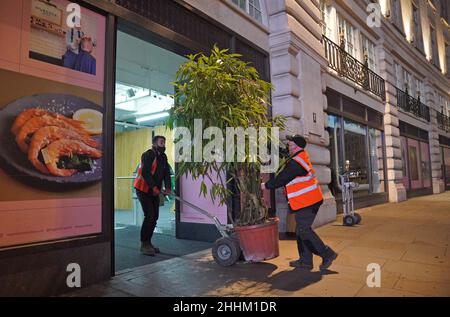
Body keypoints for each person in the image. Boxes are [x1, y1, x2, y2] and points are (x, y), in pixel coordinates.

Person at [261, 135, 338, 271]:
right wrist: (267, 143)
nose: (288, 146)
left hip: (308, 202)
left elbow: (282, 179)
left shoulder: (297, 163)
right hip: (306, 201)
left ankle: (327, 254)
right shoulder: (297, 156)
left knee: (304, 230)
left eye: (290, 144)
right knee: (301, 231)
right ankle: (305, 261)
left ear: (296, 146)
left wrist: (265, 186)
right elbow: (283, 152)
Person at [134, 136, 172, 256]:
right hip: (143, 189)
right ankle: (144, 244)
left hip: (154, 190)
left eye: (164, 142)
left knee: (155, 217)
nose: (163, 144)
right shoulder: (148, 154)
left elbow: (166, 173)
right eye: (161, 142)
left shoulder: (163, 157)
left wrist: (168, 187)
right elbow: (145, 172)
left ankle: (148, 242)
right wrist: (154, 187)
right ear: (155, 144)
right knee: (149, 215)